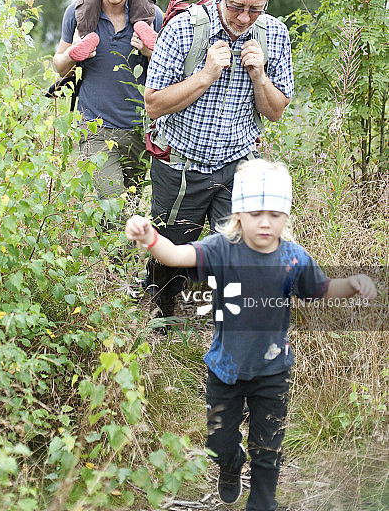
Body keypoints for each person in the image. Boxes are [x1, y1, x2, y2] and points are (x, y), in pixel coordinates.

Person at [125, 159, 377, 511]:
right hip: (224, 368)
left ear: (286, 215)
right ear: (238, 212)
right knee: (218, 442)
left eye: (275, 214)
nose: (265, 222)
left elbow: (322, 289)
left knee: (268, 447)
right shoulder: (221, 249)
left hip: (272, 371)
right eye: (256, 212)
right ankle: (230, 464)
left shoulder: (293, 259)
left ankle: (262, 502)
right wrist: (150, 236)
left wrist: (351, 285)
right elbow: (176, 255)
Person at [141, 0, 295, 318]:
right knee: (172, 250)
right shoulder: (184, 29)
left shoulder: (273, 33)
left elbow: (275, 111)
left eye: (255, 9)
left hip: (238, 165)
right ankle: (161, 311)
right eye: (236, 6)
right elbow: (153, 104)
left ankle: (230, 324)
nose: (244, 18)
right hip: (182, 164)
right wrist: (206, 75)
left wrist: (260, 77)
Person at [54, 0, 163, 217]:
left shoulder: (152, 17)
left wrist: (150, 52)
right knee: (113, 203)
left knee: (131, 206)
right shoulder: (77, 14)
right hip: (94, 127)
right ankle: (117, 258)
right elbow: (58, 66)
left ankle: (121, 260)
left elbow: (169, 75)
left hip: (139, 127)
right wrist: (73, 54)